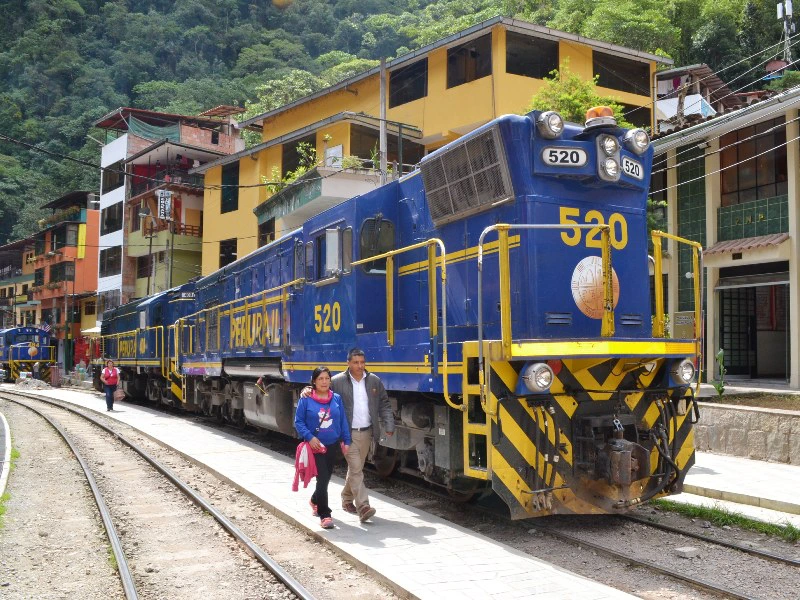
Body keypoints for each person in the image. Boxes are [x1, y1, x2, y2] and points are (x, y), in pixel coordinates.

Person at [333, 348, 395, 523]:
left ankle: (346, 499)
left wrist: (389, 424)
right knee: (356, 469)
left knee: (356, 468)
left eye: (362, 362)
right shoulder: (337, 381)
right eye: (356, 363)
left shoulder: (374, 380)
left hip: (367, 432)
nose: (360, 366)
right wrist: (308, 390)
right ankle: (363, 507)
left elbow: (384, 404)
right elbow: (320, 393)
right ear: (348, 363)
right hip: (347, 433)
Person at [294, 366, 351, 530]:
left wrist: (346, 440)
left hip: (332, 445)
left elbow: (342, 421)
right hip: (315, 446)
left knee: (325, 478)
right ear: (314, 381)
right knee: (323, 477)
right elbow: (298, 422)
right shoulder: (306, 399)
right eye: (320, 379)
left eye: (327, 378)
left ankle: (314, 500)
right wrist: (310, 437)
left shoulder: (336, 399)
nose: (324, 382)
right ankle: (325, 514)